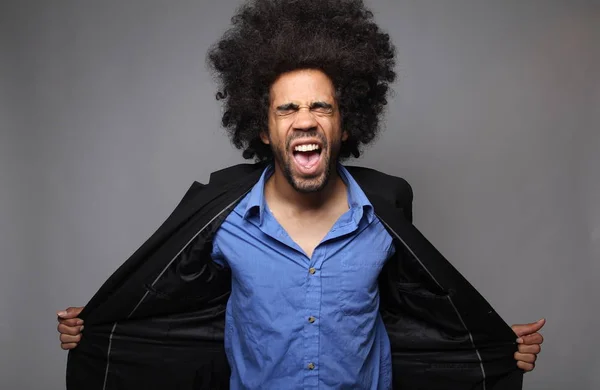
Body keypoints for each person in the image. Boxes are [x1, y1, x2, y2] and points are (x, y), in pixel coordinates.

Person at [56, 0, 544, 389]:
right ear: (263, 129)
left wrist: (495, 344)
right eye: (287, 108)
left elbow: (420, 315)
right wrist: (99, 324)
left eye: (320, 107)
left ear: (345, 123)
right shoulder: (220, 218)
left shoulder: (386, 213)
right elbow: (168, 310)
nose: (305, 120)